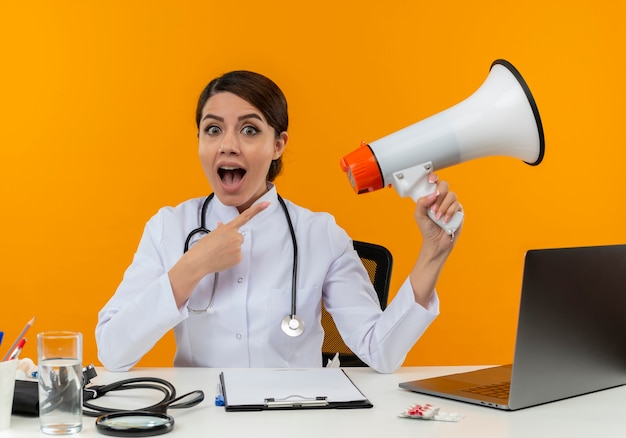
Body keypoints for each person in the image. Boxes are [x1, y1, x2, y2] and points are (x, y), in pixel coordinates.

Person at [96, 70, 463, 374]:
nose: (228, 145)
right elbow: (113, 352)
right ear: (199, 142)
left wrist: (433, 253)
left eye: (250, 130)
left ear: (278, 145)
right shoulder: (169, 228)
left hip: (294, 418)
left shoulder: (320, 234)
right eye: (213, 130)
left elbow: (379, 351)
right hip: (204, 419)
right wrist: (193, 266)